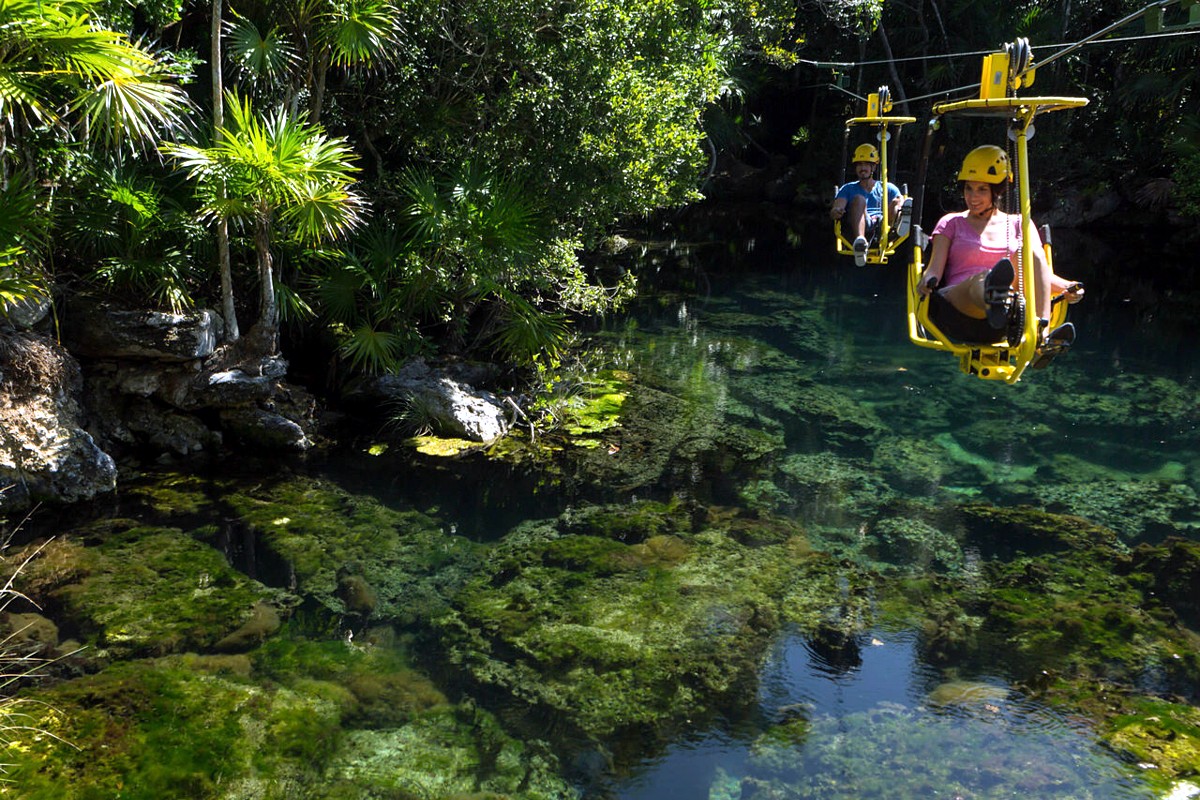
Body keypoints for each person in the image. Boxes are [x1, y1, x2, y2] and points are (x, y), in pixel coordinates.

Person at [916, 145, 1083, 355]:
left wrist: (1068, 287)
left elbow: (1039, 275)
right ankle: (993, 294)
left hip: (1009, 312)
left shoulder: (1019, 223)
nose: (972, 197)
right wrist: (927, 279)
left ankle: (1042, 334)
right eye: (969, 188)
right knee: (984, 278)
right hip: (958, 307)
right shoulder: (951, 222)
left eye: (982, 189)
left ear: (997, 191)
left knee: (1031, 254)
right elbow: (934, 269)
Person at [830, 143, 907, 266]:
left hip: (884, 224)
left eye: (866, 164)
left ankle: (901, 222)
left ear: (874, 167)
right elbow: (837, 208)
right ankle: (860, 242)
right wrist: (837, 211)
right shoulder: (848, 188)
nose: (862, 168)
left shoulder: (887, 187)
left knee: (898, 200)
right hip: (862, 222)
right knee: (859, 199)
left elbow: (898, 201)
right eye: (859, 165)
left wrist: (900, 204)